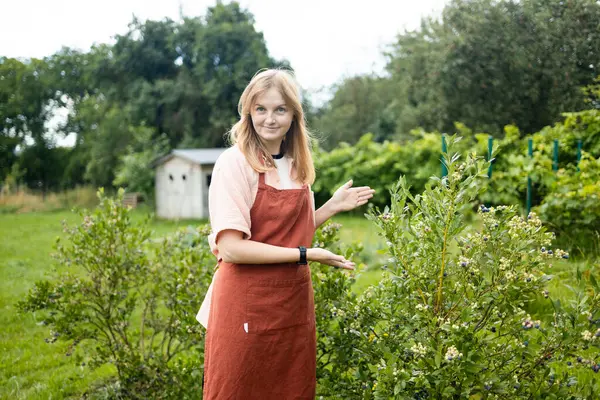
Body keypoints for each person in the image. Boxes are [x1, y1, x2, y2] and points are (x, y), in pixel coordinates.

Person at [198, 68, 375, 399]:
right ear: (248, 112)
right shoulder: (234, 163)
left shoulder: (296, 165)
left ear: (294, 115)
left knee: (290, 390)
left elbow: (294, 234)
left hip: (291, 304)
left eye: (280, 109)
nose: (269, 119)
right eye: (260, 109)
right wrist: (307, 256)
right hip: (245, 304)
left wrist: (331, 206)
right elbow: (232, 248)